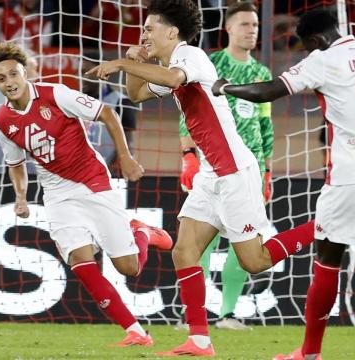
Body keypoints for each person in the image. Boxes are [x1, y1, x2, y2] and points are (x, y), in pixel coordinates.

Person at [86, 0, 315, 356]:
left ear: (172, 32)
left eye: (150, 28)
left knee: (254, 261)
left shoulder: (189, 55)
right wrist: (137, 65)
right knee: (185, 251)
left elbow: (173, 79)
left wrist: (121, 63)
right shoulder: (172, 62)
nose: (144, 33)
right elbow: (137, 94)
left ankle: (325, 225)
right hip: (211, 174)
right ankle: (199, 340)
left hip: (234, 171)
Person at [211, 9, 355, 360]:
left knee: (328, 258)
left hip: (348, 176)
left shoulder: (322, 60)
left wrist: (226, 87)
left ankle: (310, 352)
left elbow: (269, 90)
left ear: (313, 40)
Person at [0, 41, 172, 348]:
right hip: (57, 191)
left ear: (24, 74)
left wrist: (125, 157)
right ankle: (135, 331)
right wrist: (21, 197)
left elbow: (108, 113)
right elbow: (15, 164)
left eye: (13, 74)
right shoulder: (3, 120)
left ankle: (142, 232)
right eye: (1, 79)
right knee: (80, 261)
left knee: (129, 268)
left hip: (92, 179)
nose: (9, 83)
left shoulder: (56, 94)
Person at [178, 1, 273, 331]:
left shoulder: (262, 74)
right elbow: (185, 115)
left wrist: (268, 170)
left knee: (243, 242)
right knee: (202, 239)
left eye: (256, 25)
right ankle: (195, 313)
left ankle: (228, 313)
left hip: (252, 167)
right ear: (229, 28)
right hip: (210, 165)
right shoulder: (211, 63)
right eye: (245, 24)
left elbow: (265, 126)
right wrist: (187, 156)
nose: (252, 30)